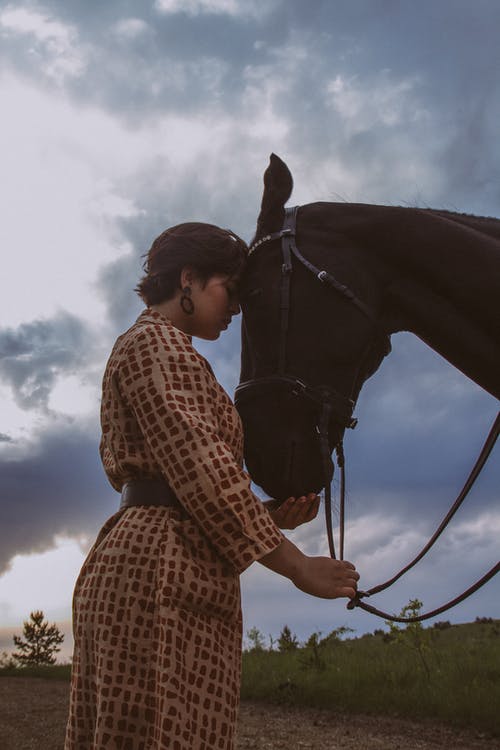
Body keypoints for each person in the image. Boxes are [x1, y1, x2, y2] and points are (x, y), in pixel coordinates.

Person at [64, 222, 359, 750]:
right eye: (228, 289)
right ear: (188, 279)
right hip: (157, 570)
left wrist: (265, 515)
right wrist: (297, 566)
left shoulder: (166, 350)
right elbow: (200, 469)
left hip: (170, 556)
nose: (237, 308)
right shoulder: (154, 345)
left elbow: (189, 480)